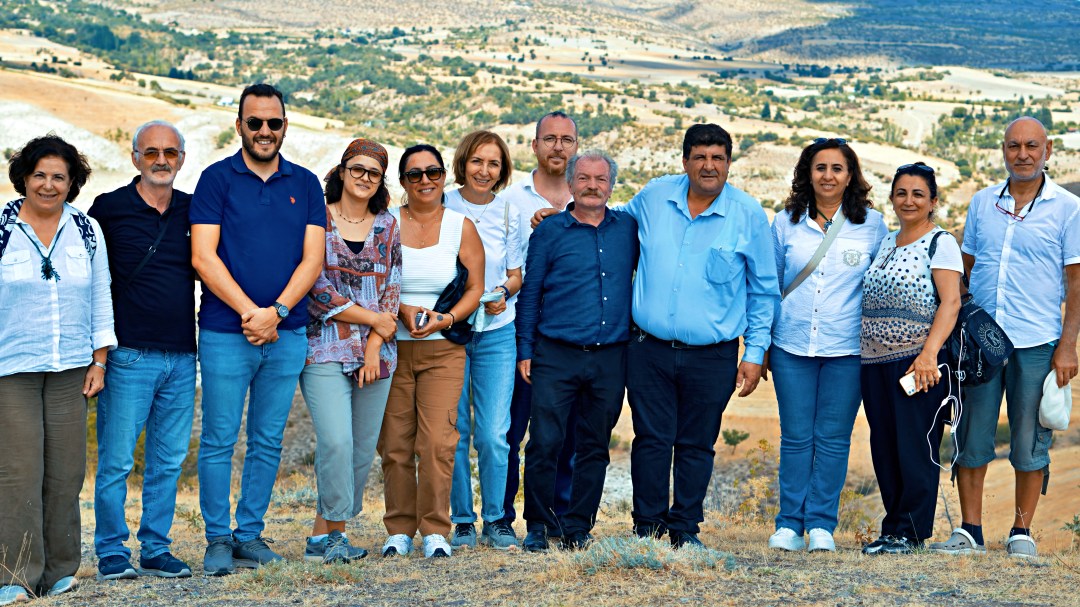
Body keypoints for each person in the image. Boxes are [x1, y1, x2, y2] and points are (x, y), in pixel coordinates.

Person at [190, 83, 326, 575]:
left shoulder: (306, 183)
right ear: (240, 126)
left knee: (267, 440)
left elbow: (313, 259)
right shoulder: (216, 179)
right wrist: (253, 313)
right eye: (255, 122)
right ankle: (217, 539)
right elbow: (203, 256)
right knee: (219, 440)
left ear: (285, 126)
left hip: (286, 335)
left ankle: (249, 535)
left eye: (273, 122)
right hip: (227, 333)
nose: (264, 131)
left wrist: (278, 312)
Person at [930, 117, 1080, 559]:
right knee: (971, 433)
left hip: (1037, 341)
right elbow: (965, 269)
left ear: (1047, 151)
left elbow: (1076, 284)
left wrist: (1068, 345)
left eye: (1032, 146)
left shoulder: (1069, 209)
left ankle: (1021, 532)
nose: (1023, 154)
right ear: (1003, 150)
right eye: (1014, 145)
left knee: (1030, 439)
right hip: (980, 343)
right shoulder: (982, 203)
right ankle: (970, 532)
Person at [624, 124, 779, 549]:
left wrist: (755, 352)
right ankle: (647, 529)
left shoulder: (747, 214)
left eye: (718, 158)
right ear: (685, 161)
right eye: (700, 157)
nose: (709, 166)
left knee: (697, 443)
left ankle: (684, 530)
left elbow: (764, 290)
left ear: (729, 163)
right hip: (648, 349)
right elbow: (609, 220)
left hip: (713, 355)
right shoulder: (654, 196)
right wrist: (561, 215)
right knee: (651, 440)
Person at [0, 135, 115, 604]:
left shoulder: (86, 230)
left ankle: (61, 571)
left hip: (72, 367)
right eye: (40, 175)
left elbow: (101, 295)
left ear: (72, 183)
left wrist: (99, 360)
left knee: (66, 474)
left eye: (59, 177)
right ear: (24, 178)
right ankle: (16, 576)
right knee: (18, 473)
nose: (48, 185)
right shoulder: (2, 228)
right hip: (12, 369)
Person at [766, 139, 887, 553]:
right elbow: (769, 286)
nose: (828, 175)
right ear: (808, 173)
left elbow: (879, 285)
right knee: (796, 437)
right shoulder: (785, 223)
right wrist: (761, 344)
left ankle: (821, 524)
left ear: (850, 176)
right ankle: (788, 524)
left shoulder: (872, 225)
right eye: (820, 167)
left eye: (837, 168)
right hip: (791, 345)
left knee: (833, 439)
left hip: (847, 350)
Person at [89, 121, 197, 581]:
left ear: (182, 159)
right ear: (135, 157)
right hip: (127, 354)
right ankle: (112, 551)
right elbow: (90, 280)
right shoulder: (108, 208)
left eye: (170, 152)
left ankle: (155, 548)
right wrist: (96, 353)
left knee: (167, 462)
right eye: (151, 152)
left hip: (183, 355)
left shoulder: (194, 209)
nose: (161, 160)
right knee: (116, 461)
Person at [516, 150, 638, 552]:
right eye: (583, 178)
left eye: (600, 179)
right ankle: (538, 525)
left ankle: (577, 527)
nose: (592, 186)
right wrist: (525, 349)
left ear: (611, 186)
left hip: (610, 357)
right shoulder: (550, 231)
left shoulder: (628, 229)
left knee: (594, 445)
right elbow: (531, 293)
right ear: (570, 184)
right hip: (556, 354)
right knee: (545, 442)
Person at [378, 144, 484, 559]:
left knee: (438, 443)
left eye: (433, 172)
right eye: (415, 174)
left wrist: (448, 318)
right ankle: (399, 529)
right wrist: (401, 310)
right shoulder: (385, 223)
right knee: (395, 445)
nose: (425, 180)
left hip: (443, 352)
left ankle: (436, 530)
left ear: (444, 176)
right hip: (391, 350)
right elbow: (373, 283)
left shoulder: (461, 227)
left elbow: (475, 287)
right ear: (403, 182)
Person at [299, 138, 401, 564]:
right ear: (341, 172)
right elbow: (316, 288)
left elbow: (393, 285)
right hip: (324, 346)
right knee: (337, 441)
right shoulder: (316, 219)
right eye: (356, 168)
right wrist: (373, 320)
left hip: (377, 353)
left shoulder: (388, 225)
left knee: (360, 450)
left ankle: (322, 537)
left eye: (373, 172)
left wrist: (376, 342)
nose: (364, 177)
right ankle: (335, 537)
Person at [860, 162, 961, 555]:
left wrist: (928, 355)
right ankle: (894, 529)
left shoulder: (941, 243)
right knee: (885, 447)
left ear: (933, 201)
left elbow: (950, 303)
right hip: (874, 364)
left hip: (918, 365)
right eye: (901, 193)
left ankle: (913, 532)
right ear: (891, 198)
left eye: (918, 194)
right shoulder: (886, 241)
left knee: (915, 447)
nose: (909, 200)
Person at [499, 111, 579, 537]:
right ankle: (502, 518)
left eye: (566, 139)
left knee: (563, 435)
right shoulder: (511, 200)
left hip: (570, 336)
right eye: (549, 139)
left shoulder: (589, 200)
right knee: (511, 431)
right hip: (520, 330)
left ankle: (556, 517)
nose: (558, 147)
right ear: (534, 145)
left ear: (576, 146)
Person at [444, 131, 524, 550]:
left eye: (493, 163)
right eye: (477, 161)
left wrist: (504, 293)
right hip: (450, 332)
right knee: (454, 430)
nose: (484, 170)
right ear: (463, 162)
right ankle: (462, 520)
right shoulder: (442, 205)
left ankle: (496, 519)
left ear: (502, 169)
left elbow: (516, 273)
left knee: (494, 433)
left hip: (497, 332)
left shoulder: (509, 211)